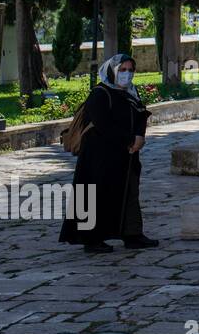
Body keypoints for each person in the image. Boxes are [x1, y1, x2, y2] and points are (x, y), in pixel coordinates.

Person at [60, 53, 157, 253]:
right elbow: (102, 124)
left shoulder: (131, 92)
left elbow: (139, 114)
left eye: (130, 70)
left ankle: (132, 234)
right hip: (99, 156)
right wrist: (130, 140)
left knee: (128, 193)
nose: (127, 74)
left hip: (126, 155)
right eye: (122, 70)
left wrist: (138, 137)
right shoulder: (101, 93)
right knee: (94, 195)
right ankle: (91, 239)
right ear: (112, 71)